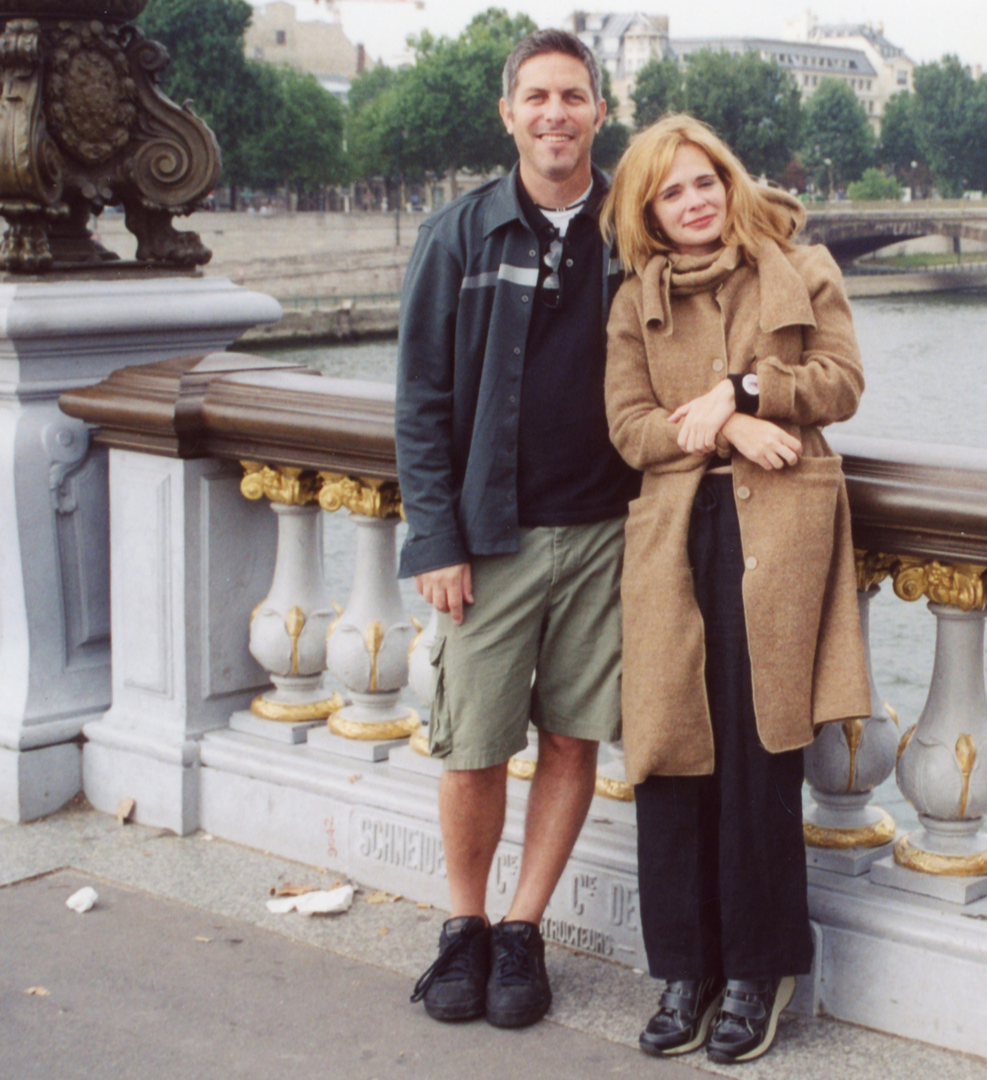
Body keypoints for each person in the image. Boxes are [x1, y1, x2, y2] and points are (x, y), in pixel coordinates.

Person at [601, 115, 871, 1064]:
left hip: (779, 536)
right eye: (672, 192)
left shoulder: (801, 265)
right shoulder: (635, 301)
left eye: (705, 180)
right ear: (651, 212)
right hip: (677, 538)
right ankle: (687, 969)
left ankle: (758, 970)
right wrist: (722, 430)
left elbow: (840, 381)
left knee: (762, 756)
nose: (696, 201)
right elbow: (629, 430)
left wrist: (747, 394)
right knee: (673, 755)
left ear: (729, 179)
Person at [394, 29, 636, 1031]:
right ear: (509, 114)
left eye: (572, 96)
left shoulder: (637, 227)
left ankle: (522, 929)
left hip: (607, 532)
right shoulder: (459, 234)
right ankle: (464, 925)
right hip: (490, 536)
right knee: (476, 744)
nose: (555, 114)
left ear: (599, 111)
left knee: (574, 736)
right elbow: (419, 400)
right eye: (537, 97)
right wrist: (436, 537)